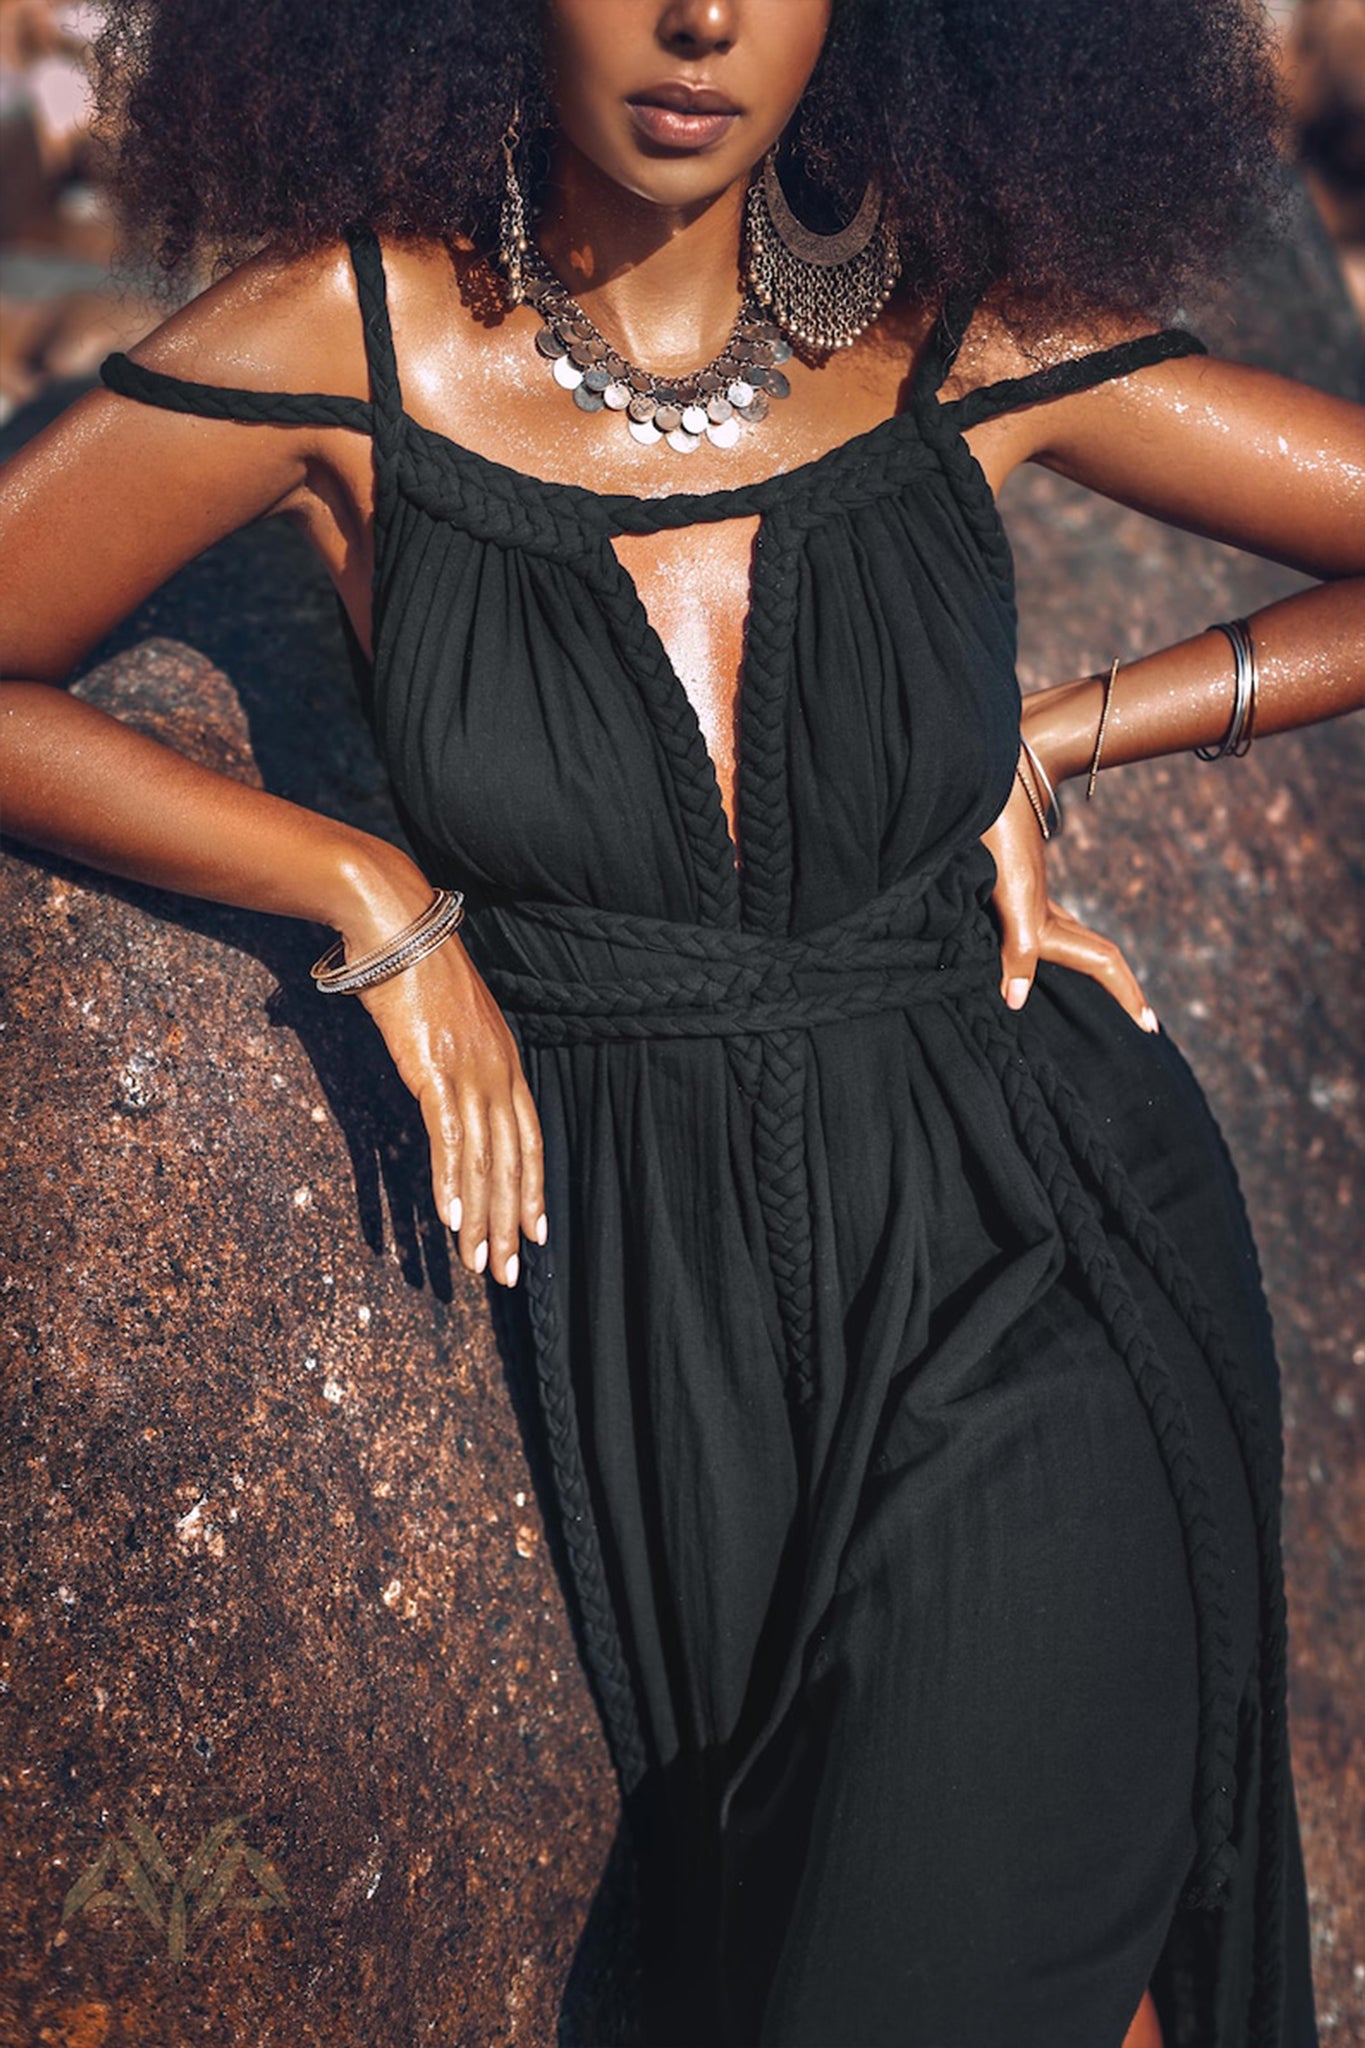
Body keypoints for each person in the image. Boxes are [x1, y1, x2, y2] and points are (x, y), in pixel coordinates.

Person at [1, 1, 1361, 2042]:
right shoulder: (344, 346)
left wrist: (1061, 737)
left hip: (1030, 1255)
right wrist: (360, 888)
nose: (702, 17)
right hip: (670, 1353)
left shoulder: (940, 331)